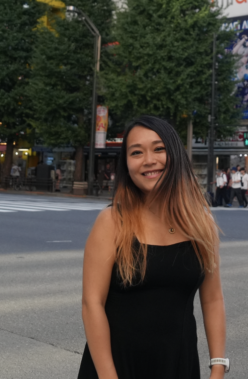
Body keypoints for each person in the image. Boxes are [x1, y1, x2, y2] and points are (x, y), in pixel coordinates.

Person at [77, 115, 226, 379]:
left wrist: (218, 366)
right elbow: (92, 304)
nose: (149, 160)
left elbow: (212, 298)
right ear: (127, 164)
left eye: (159, 149)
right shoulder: (112, 222)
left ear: (176, 155)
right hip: (116, 367)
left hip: (178, 364)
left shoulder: (201, 222)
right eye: (136, 152)